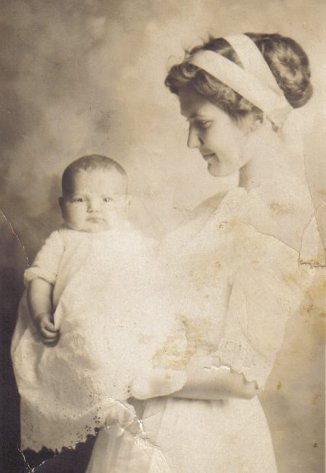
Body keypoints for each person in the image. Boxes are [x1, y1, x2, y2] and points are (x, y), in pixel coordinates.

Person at [86, 33, 321, 472]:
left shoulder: (280, 220)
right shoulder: (214, 211)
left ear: (252, 113)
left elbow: (243, 376)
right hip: (149, 419)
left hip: (206, 441)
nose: (191, 142)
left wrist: (141, 376)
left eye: (203, 122)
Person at [11, 154, 187, 456]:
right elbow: (40, 279)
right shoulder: (63, 240)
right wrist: (40, 313)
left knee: (154, 330)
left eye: (108, 199)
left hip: (127, 317)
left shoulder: (134, 239)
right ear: (62, 205)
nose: (94, 208)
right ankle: (105, 402)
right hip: (80, 320)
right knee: (89, 344)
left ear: (127, 206)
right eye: (80, 199)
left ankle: (146, 381)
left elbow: (158, 274)